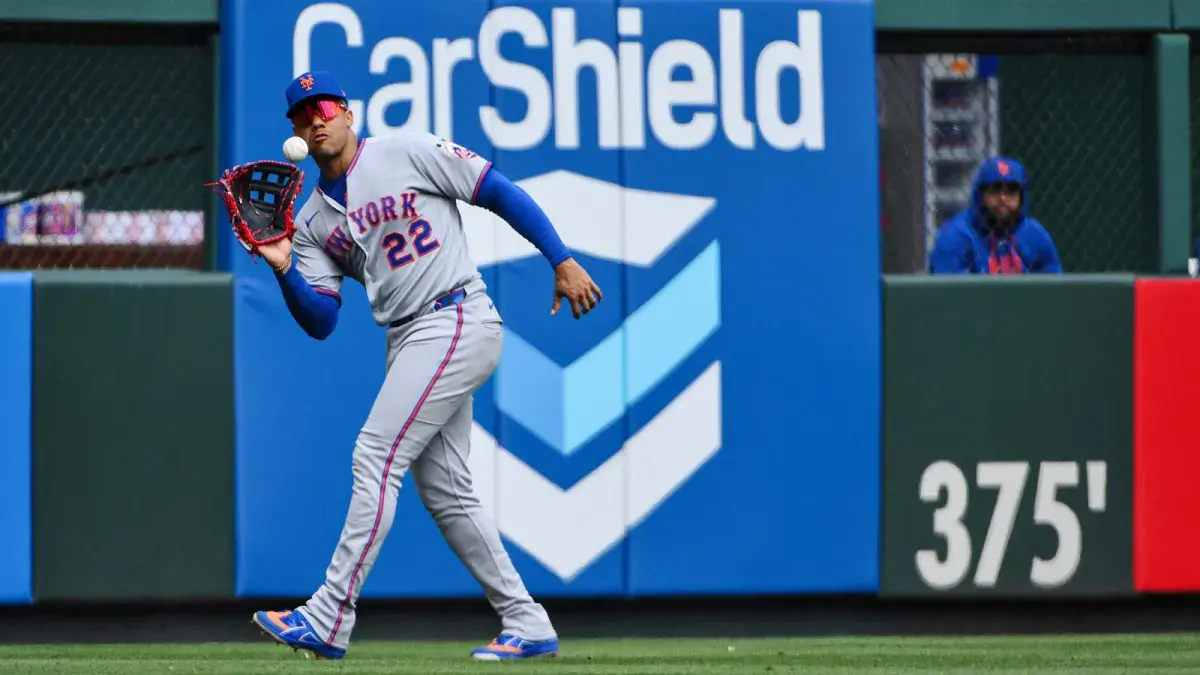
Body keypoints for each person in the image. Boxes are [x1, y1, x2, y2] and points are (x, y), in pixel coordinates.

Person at [248, 71, 602, 662]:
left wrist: (559, 258)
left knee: (375, 455)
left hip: (456, 315)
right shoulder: (309, 222)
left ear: (348, 114)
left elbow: (496, 189)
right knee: (446, 491)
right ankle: (527, 621)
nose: (317, 118)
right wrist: (284, 268)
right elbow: (322, 320)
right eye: (304, 113)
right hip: (409, 339)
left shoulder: (406, 150)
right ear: (296, 131)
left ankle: (329, 614)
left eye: (326, 107)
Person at [928, 156, 1063, 274]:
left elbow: (1054, 288)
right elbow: (948, 296)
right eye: (995, 189)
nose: (1003, 198)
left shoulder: (1034, 234)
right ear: (981, 195)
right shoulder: (957, 236)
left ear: (1021, 197)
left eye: (1011, 190)